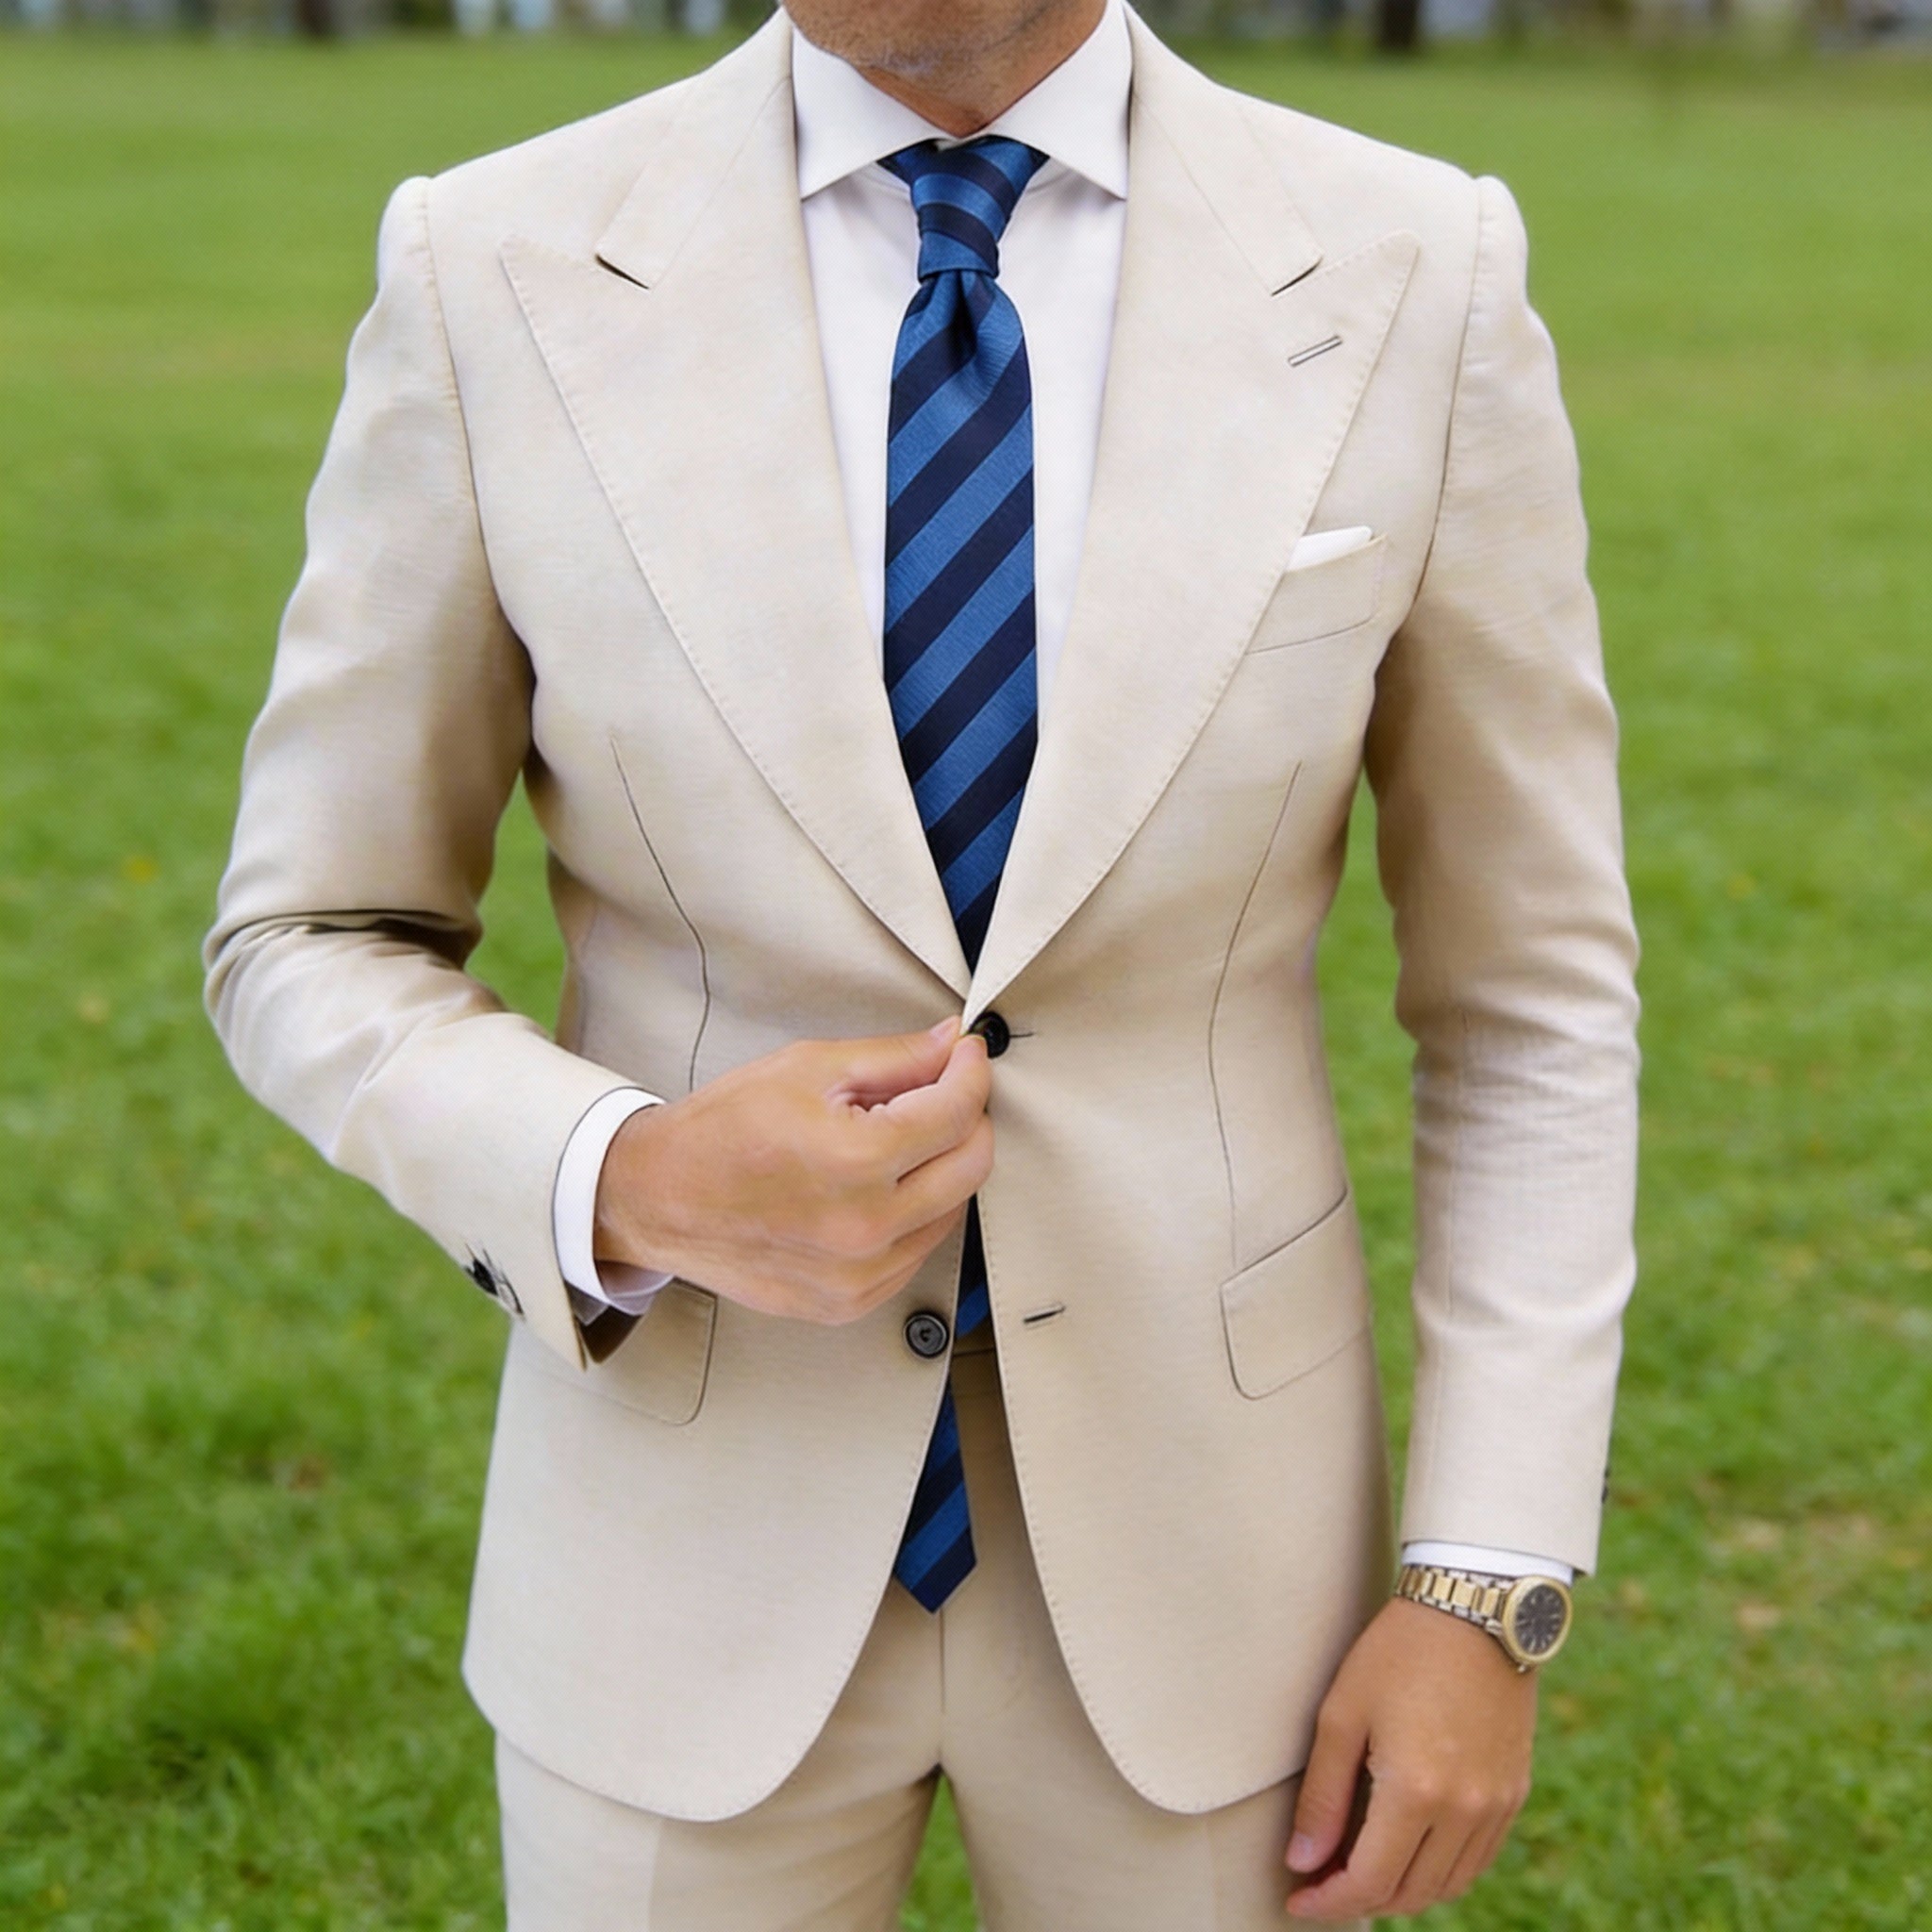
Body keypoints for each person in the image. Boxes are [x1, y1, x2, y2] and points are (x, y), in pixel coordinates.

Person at [204, 0, 1640, 1923]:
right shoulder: (491, 265)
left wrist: (1484, 1580)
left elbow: (1530, 1000)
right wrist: (624, 1174)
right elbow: (310, 929)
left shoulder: (1413, 267)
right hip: (672, 1569)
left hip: (1222, 1593)